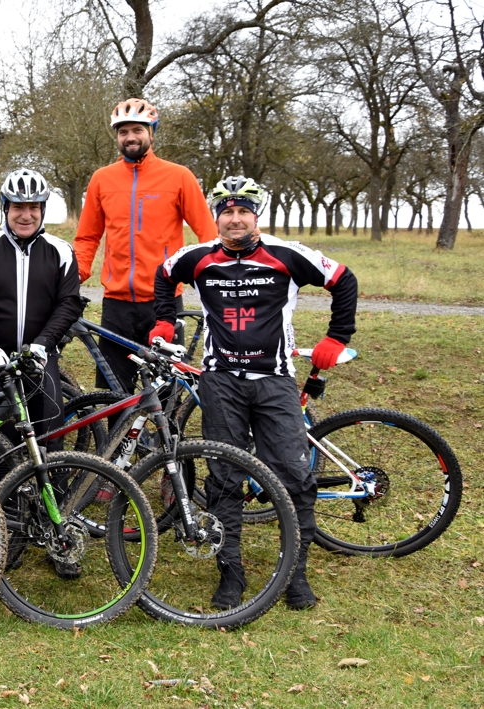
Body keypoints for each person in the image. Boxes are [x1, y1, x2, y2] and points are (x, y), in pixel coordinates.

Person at [149, 175, 359, 611]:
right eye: (227, 212)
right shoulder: (199, 258)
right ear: (217, 218)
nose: (235, 219)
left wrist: (337, 337)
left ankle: (296, 574)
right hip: (221, 381)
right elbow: (164, 275)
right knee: (224, 480)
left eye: (243, 211)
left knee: (296, 479)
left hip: (274, 381)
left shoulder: (285, 255)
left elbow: (343, 280)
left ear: (256, 215)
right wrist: (164, 322)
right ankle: (232, 574)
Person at [0, 169, 83, 575]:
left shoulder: (60, 250)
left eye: (33, 207)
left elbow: (70, 304)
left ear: (42, 210)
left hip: (41, 359)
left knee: (50, 446)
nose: (25, 215)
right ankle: (11, 535)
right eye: (17, 207)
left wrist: (44, 344)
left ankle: (56, 536)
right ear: (5, 208)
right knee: (7, 448)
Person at [73, 98, 218, 391]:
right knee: (115, 390)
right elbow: (87, 237)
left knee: (166, 389)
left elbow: (208, 234)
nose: (130, 137)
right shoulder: (102, 179)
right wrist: (73, 276)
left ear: (151, 132)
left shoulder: (178, 176)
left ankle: (167, 438)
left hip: (162, 302)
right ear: (117, 136)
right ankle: (119, 438)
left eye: (137, 130)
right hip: (116, 305)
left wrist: (218, 276)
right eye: (123, 131)